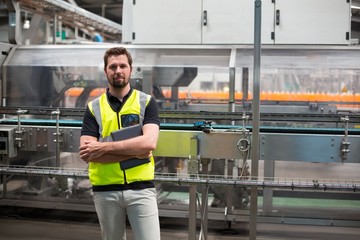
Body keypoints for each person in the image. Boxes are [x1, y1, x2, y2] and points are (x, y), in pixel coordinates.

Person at [79, 47, 161, 240]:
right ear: (106, 71)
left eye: (123, 66)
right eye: (113, 66)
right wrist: (135, 151)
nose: (118, 70)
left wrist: (103, 148)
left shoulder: (146, 102)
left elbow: (149, 143)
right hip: (106, 191)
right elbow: (87, 153)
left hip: (141, 189)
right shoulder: (93, 108)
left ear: (130, 70)